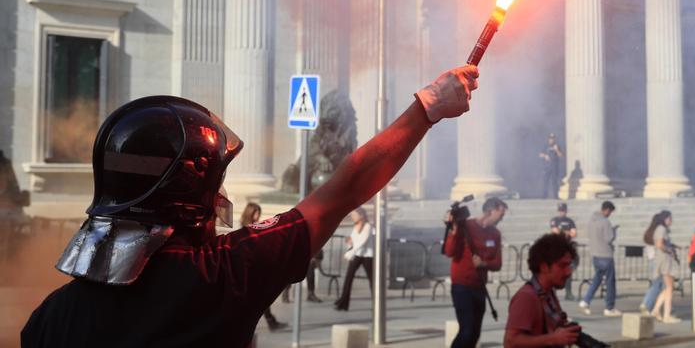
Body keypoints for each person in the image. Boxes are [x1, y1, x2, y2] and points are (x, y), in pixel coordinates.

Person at [21, 65, 479, 347]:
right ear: (187, 197)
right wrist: (428, 107)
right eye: (213, 184)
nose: (221, 199)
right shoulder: (221, 276)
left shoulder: (49, 317)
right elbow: (344, 189)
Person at [504, 233, 608, 348]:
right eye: (562, 266)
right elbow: (510, 342)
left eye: (569, 265)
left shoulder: (548, 292)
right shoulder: (527, 297)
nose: (568, 272)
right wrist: (552, 339)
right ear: (544, 267)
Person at [443, 197, 507, 348]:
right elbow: (449, 251)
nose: (502, 219)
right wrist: (453, 230)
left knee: (475, 333)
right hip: (462, 286)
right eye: (501, 214)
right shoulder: (466, 226)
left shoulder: (495, 234)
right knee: (466, 331)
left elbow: (498, 263)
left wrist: (484, 263)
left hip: (479, 288)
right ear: (490, 211)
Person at [239, 203, 289, 331]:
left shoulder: (254, 227)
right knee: (257, 300)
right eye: (256, 213)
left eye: (258, 213)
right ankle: (269, 322)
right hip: (248, 270)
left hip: (254, 269)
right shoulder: (245, 229)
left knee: (259, 300)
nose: (258, 216)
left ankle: (270, 322)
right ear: (250, 213)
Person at [580, 201, 621, 317]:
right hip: (606, 255)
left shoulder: (592, 220)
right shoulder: (605, 222)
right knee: (610, 282)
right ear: (607, 210)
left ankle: (585, 301)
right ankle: (609, 308)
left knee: (597, 279)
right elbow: (609, 238)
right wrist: (614, 230)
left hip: (595, 254)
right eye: (610, 212)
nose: (610, 214)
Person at [334, 207, 374, 311]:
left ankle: (376, 302)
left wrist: (350, 254)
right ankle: (343, 303)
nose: (352, 217)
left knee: (372, 280)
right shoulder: (355, 226)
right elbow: (353, 242)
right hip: (357, 255)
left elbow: (362, 243)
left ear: (361, 215)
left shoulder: (368, 226)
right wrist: (349, 243)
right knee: (348, 278)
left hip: (367, 256)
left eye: (354, 215)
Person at [649, 210, 681, 323]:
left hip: (663, 260)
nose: (671, 221)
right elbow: (659, 244)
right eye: (670, 218)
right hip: (664, 261)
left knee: (668, 288)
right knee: (669, 287)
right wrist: (669, 250)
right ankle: (667, 315)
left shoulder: (660, 229)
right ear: (665, 218)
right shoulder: (661, 229)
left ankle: (656, 310)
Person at [549, 202, 578, 300]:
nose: (562, 212)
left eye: (564, 210)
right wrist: (567, 232)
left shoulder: (570, 221)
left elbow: (574, 234)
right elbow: (555, 231)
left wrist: (563, 231)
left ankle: (568, 292)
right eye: (561, 210)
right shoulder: (554, 220)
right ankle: (553, 293)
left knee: (568, 272)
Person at [639, 212, 666, 314]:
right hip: (657, 261)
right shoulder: (659, 232)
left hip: (651, 260)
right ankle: (646, 304)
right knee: (657, 284)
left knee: (661, 285)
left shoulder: (649, 232)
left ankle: (659, 308)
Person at [539, 133, 563, 199]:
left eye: (553, 138)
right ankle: (544, 196)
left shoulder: (557, 146)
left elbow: (561, 155)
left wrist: (557, 150)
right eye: (550, 138)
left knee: (554, 182)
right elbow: (540, 154)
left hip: (554, 167)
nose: (551, 140)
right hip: (547, 167)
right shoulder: (545, 146)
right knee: (545, 181)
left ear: (554, 139)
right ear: (548, 139)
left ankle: (556, 196)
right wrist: (545, 156)